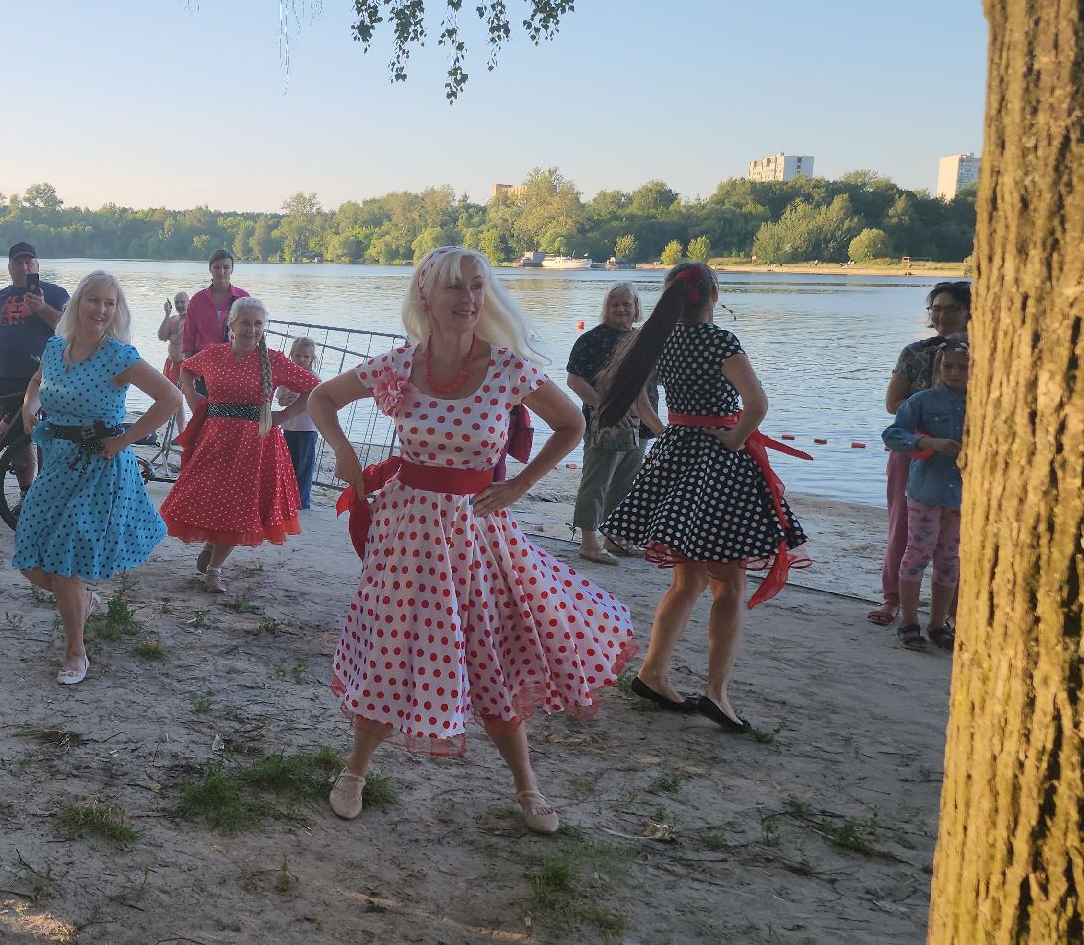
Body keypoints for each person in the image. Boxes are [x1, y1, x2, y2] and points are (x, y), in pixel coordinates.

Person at [308, 247, 637, 833]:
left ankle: (527, 787)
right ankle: (355, 772)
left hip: (478, 537)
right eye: (455, 289)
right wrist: (345, 452)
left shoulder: (507, 367)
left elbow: (572, 424)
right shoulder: (400, 366)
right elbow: (321, 399)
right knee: (394, 647)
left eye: (477, 288)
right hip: (405, 537)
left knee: (488, 657)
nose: (468, 300)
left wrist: (521, 487)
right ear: (425, 298)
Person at [597, 262, 810, 735]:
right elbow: (756, 405)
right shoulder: (720, 341)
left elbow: (637, 397)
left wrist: (664, 430)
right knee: (729, 584)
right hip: (719, 462)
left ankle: (654, 672)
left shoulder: (661, 339)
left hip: (676, 454)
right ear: (714, 293)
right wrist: (733, 440)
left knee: (686, 582)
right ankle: (717, 692)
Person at [13, 271, 180, 685]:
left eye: (110, 303)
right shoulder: (55, 348)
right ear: (77, 304)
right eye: (94, 300)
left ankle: (75, 652)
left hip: (99, 466)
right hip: (55, 462)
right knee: (31, 561)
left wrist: (126, 439)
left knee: (64, 559)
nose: (101, 310)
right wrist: (28, 407)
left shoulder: (119, 355)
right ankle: (82, 603)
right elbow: (37, 382)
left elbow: (171, 398)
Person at [161, 297, 321, 590]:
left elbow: (316, 388)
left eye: (258, 323)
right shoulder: (214, 354)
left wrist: (284, 415)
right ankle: (212, 543)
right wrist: (194, 399)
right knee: (210, 495)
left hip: (254, 444)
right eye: (246, 322)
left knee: (238, 504)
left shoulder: (273, 360)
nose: (252, 329)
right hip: (214, 438)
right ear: (231, 324)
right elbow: (185, 368)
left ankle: (214, 569)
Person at [871, 279, 971, 626]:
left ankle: (955, 610)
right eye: (936, 308)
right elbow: (892, 404)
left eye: (952, 308)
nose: (942, 315)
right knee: (904, 525)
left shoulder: (986, 352)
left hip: (964, 456)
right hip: (913, 450)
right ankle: (892, 600)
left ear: (970, 311)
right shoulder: (916, 352)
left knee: (960, 536)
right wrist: (926, 433)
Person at [880, 334, 967, 652]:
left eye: (962, 368)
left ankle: (937, 622)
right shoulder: (922, 401)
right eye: (949, 366)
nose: (955, 373)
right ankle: (909, 621)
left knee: (949, 559)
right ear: (940, 367)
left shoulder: (981, 405)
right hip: (925, 491)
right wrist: (927, 443)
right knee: (917, 552)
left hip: (960, 495)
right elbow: (893, 434)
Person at [564, 283, 657, 565]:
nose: (621, 309)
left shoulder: (644, 339)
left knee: (627, 482)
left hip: (640, 422)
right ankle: (589, 542)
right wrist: (605, 407)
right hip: (605, 421)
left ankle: (617, 539)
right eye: (615, 304)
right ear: (606, 309)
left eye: (626, 304)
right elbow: (574, 380)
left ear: (636, 308)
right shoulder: (592, 339)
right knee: (597, 481)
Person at [0, 242, 68, 490]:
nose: (24, 267)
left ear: (37, 265)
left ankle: (48, 489)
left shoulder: (55, 293)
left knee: (50, 433)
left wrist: (41, 308)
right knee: (16, 436)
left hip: (50, 378)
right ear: (9, 267)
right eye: (18, 262)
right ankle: (27, 492)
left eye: (29, 262)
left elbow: (68, 328)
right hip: (9, 377)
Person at [277, 336, 321, 511]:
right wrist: (285, 400)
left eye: (305, 357)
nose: (301, 360)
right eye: (298, 356)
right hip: (289, 427)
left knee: (304, 466)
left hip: (307, 429)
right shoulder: (287, 377)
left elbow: (317, 402)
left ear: (312, 359)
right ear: (291, 356)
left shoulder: (314, 379)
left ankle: (302, 501)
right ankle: (286, 499)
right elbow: (280, 400)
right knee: (288, 464)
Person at [181, 249, 248, 360]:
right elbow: (188, 337)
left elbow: (252, 333)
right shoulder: (197, 300)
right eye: (217, 267)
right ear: (210, 269)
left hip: (235, 361)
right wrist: (188, 368)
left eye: (226, 267)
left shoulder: (243, 298)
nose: (221, 272)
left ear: (232, 269)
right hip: (204, 363)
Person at [157, 291, 189, 429]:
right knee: (171, 397)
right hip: (170, 363)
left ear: (188, 302)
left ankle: (183, 431)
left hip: (183, 363)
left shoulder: (189, 319)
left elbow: (177, 339)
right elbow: (162, 336)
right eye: (177, 302)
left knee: (180, 399)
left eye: (183, 302)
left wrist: (171, 335)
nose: (180, 305)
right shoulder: (173, 319)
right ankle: (179, 431)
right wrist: (167, 315)